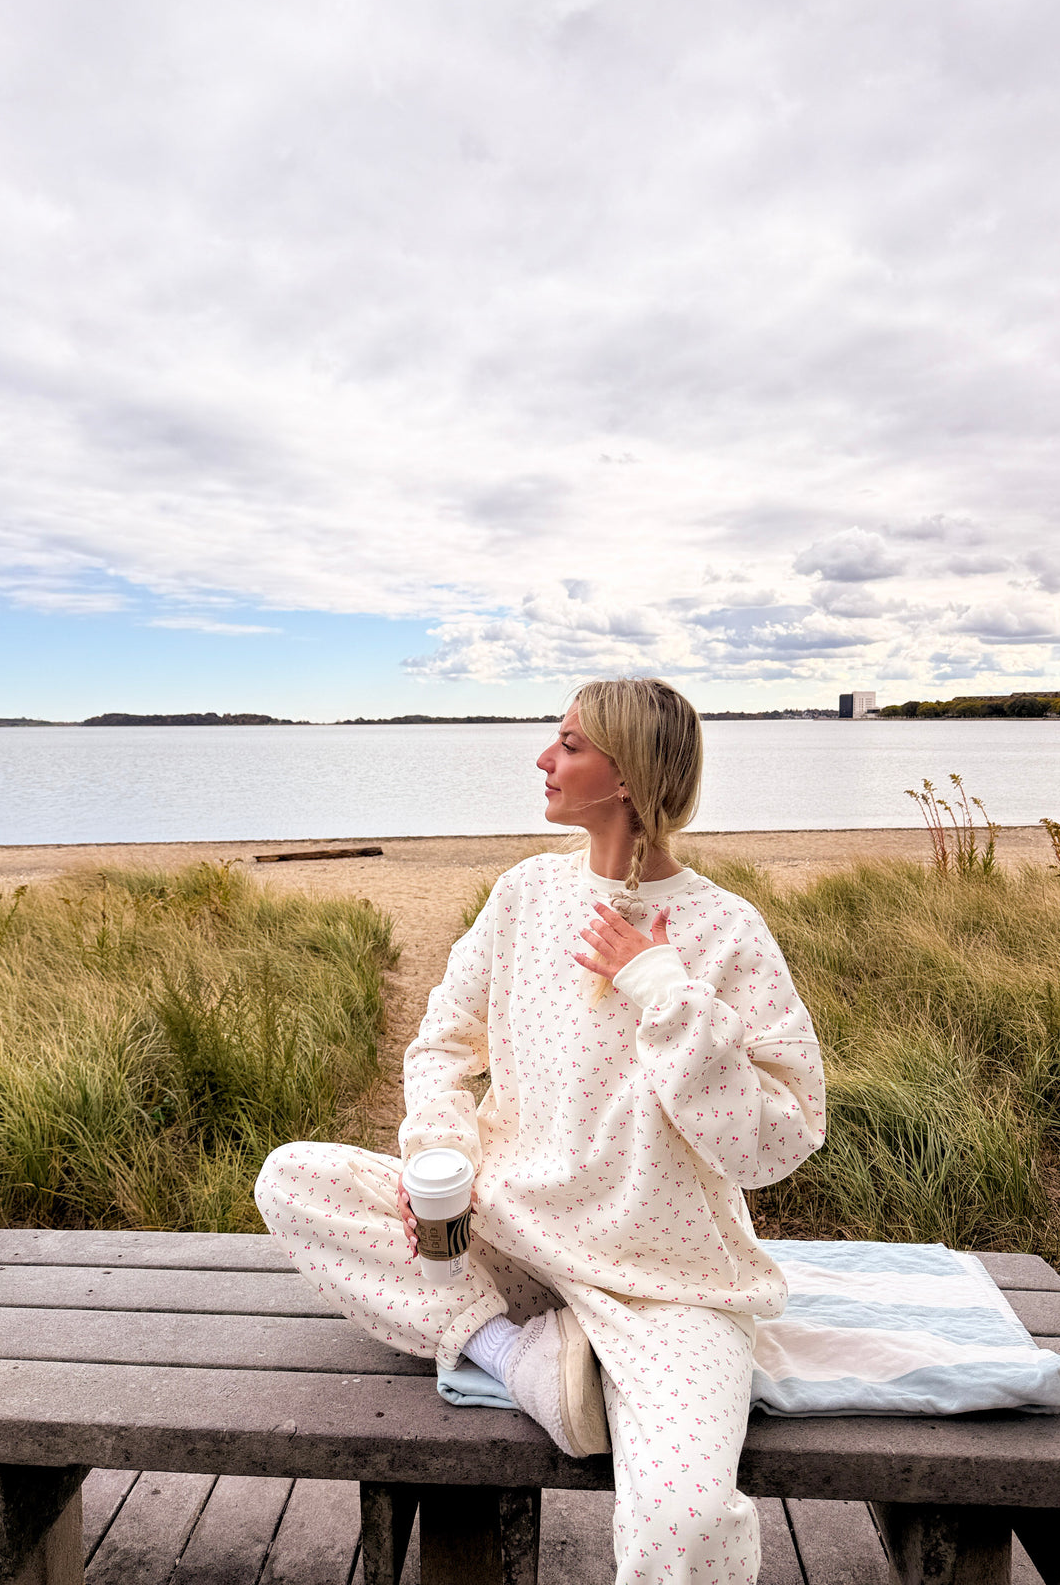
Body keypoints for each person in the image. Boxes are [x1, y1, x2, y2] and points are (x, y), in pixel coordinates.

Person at [256, 677, 825, 1585]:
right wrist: (437, 1161)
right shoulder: (524, 894)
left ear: (629, 774)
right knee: (291, 1179)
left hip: (661, 1277)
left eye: (568, 743)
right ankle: (512, 1354)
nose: (543, 759)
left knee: (685, 1520)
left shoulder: (726, 930)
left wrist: (664, 993)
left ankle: (551, 1354)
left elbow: (780, 1140)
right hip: (507, 1235)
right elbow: (442, 1042)